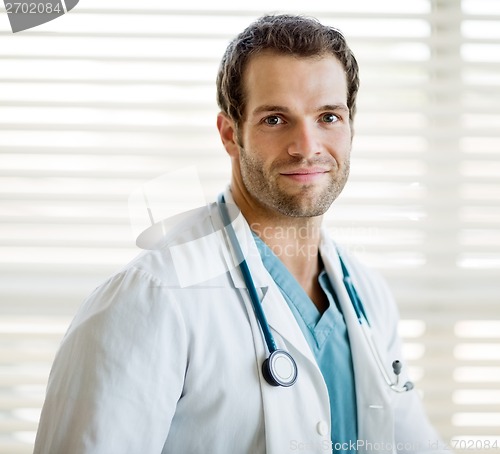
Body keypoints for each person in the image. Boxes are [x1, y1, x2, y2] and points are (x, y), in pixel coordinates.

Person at [34, 14, 448, 454]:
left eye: (328, 116)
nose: (307, 146)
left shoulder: (367, 295)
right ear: (230, 134)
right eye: (275, 119)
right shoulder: (154, 297)